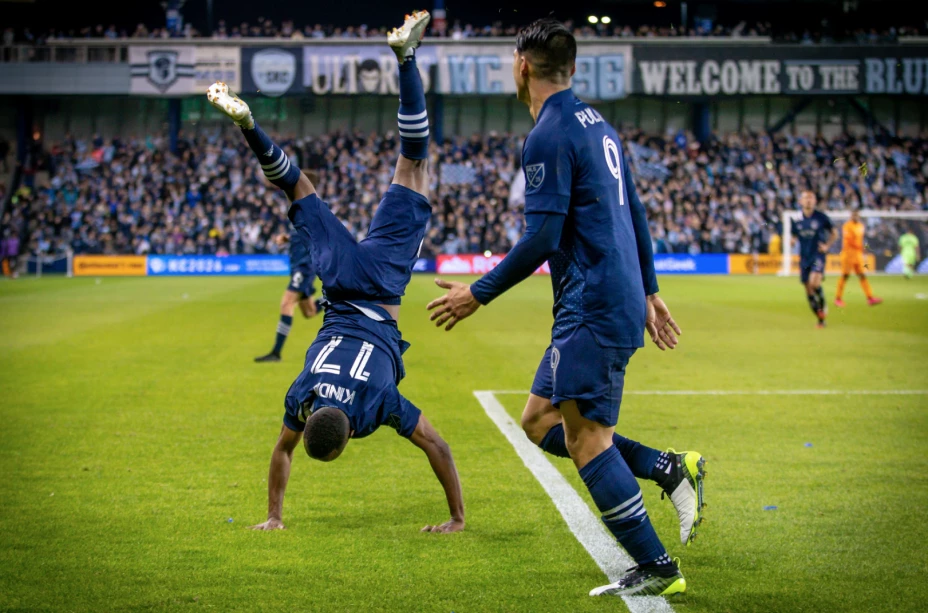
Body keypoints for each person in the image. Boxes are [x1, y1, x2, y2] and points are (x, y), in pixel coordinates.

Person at [426, 18, 704, 598]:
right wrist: (650, 290)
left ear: (522, 66)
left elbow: (543, 239)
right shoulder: (598, 123)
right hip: (609, 295)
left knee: (585, 439)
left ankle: (657, 566)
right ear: (571, 68)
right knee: (537, 421)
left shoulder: (548, 134)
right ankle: (667, 467)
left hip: (592, 303)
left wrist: (476, 292)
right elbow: (636, 213)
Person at [209, 10, 464, 534]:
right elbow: (283, 448)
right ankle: (249, 126)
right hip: (342, 280)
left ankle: (405, 56)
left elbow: (437, 444)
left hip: (382, 286)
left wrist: (457, 519)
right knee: (297, 187)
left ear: (349, 438)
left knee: (414, 163)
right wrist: (272, 516)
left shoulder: (378, 405)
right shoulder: (302, 393)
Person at [254, 172, 323, 363]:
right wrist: (288, 238)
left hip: (304, 267)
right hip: (298, 265)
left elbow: (318, 235)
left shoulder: (312, 207)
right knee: (309, 312)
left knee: (286, 303)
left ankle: (276, 353)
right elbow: (303, 233)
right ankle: (332, 298)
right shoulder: (302, 206)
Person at [793, 190, 837, 328]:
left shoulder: (821, 217)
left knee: (814, 283)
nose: (808, 200)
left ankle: (823, 307)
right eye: (806, 198)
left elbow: (835, 233)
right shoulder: (797, 220)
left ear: (815, 201)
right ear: (800, 201)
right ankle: (820, 318)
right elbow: (794, 235)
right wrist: (792, 241)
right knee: (808, 289)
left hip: (818, 255)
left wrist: (827, 246)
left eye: (811, 198)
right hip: (804, 257)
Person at [835, 209, 881, 307]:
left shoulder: (861, 226)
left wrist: (863, 249)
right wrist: (860, 247)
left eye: (857, 215)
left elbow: (860, 240)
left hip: (857, 255)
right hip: (848, 255)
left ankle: (870, 298)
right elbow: (850, 240)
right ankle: (838, 299)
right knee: (845, 276)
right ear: (851, 216)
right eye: (853, 215)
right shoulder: (847, 226)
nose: (855, 217)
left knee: (862, 275)